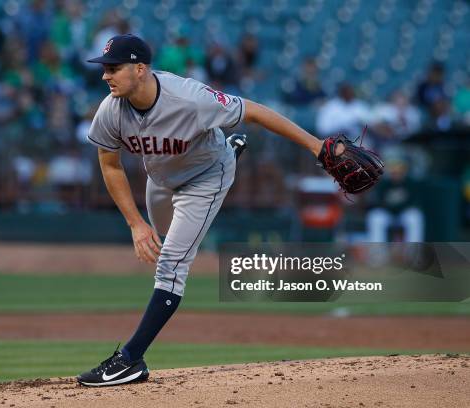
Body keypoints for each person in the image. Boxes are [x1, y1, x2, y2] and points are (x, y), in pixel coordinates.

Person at [76, 34, 332, 387]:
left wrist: (317, 147)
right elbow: (110, 164)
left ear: (140, 68)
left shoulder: (189, 98)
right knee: (161, 234)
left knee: (171, 266)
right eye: (104, 68)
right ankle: (229, 148)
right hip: (162, 179)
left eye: (114, 68)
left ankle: (130, 360)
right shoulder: (110, 110)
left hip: (206, 178)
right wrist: (135, 223)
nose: (106, 76)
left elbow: (254, 111)